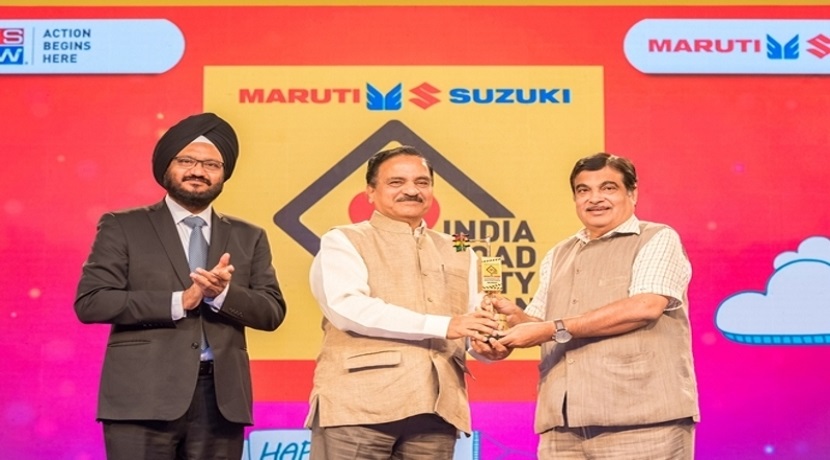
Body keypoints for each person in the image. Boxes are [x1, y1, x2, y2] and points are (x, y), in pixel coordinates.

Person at [74, 112, 287, 460]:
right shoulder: (123, 226)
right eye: (187, 161)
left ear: (224, 174)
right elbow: (92, 302)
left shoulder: (249, 236)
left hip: (220, 403)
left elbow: (271, 312)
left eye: (211, 164)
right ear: (167, 167)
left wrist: (222, 295)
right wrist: (180, 301)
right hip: (141, 398)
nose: (198, 171)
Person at [474, 153, 699, 459]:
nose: (595, 199)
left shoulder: (656, 238)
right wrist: (510, 330)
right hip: (563, 426)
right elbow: (541, 326)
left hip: (642, 423)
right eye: (584, 190)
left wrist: (550, 328)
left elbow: (645, 307)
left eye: (608, 188)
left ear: (632, 193)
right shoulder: (559, 254)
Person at [305, 145, 499, 460]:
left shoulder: (460, 249)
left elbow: (471, 324)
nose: (411, 190)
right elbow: (347, 309)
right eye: (396, 182)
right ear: (370, 192)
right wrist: (445, 325)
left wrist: (487, 347)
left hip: (437, 410)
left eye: (422, 182)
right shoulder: (343, 240)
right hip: (359, 408)